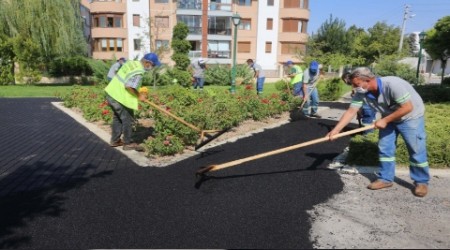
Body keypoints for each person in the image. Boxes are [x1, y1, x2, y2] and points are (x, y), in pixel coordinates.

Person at [327, 67, 430, 197]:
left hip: (410, 117)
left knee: (415, 148)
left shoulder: (393, 85)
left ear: (368, 80)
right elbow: (351, 111)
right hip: (389, 117)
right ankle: (385, 179)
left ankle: (421, 182)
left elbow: (407, 107)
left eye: (356, 84)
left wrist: (385, 120)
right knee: (385, 148)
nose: (354, 87)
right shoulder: (361, 92)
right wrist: (336, 130)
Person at [104, 53, 161, 151]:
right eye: (153, 65)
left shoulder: (132, 63)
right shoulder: (138, 71)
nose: (153, 67)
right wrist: (139, 96)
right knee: (128, 119)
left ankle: (115, 140)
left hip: (111, 93)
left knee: (117, 118)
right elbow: (129, 86)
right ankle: (128, 143)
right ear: (147, 63)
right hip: (119, 97)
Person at [341, 68, 377, 134]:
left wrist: (359, 110)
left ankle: (367, 135)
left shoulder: (359, 85)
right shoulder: (356, 83)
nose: (346, 82)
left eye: (345, 81)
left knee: (367, 121)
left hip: (368, 105)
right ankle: (370, 132)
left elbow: (358, 102)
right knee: (370, 119)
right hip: (369, 104)